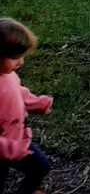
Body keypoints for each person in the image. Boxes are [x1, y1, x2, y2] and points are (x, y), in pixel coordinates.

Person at [0, 18, 52, 194]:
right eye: (14, 57)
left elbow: (17, 92)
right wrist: (9, 149)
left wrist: (38, 103)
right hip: (5, 149)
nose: (21, 62)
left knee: (40, 167)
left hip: (18, 142)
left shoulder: (9, 75)